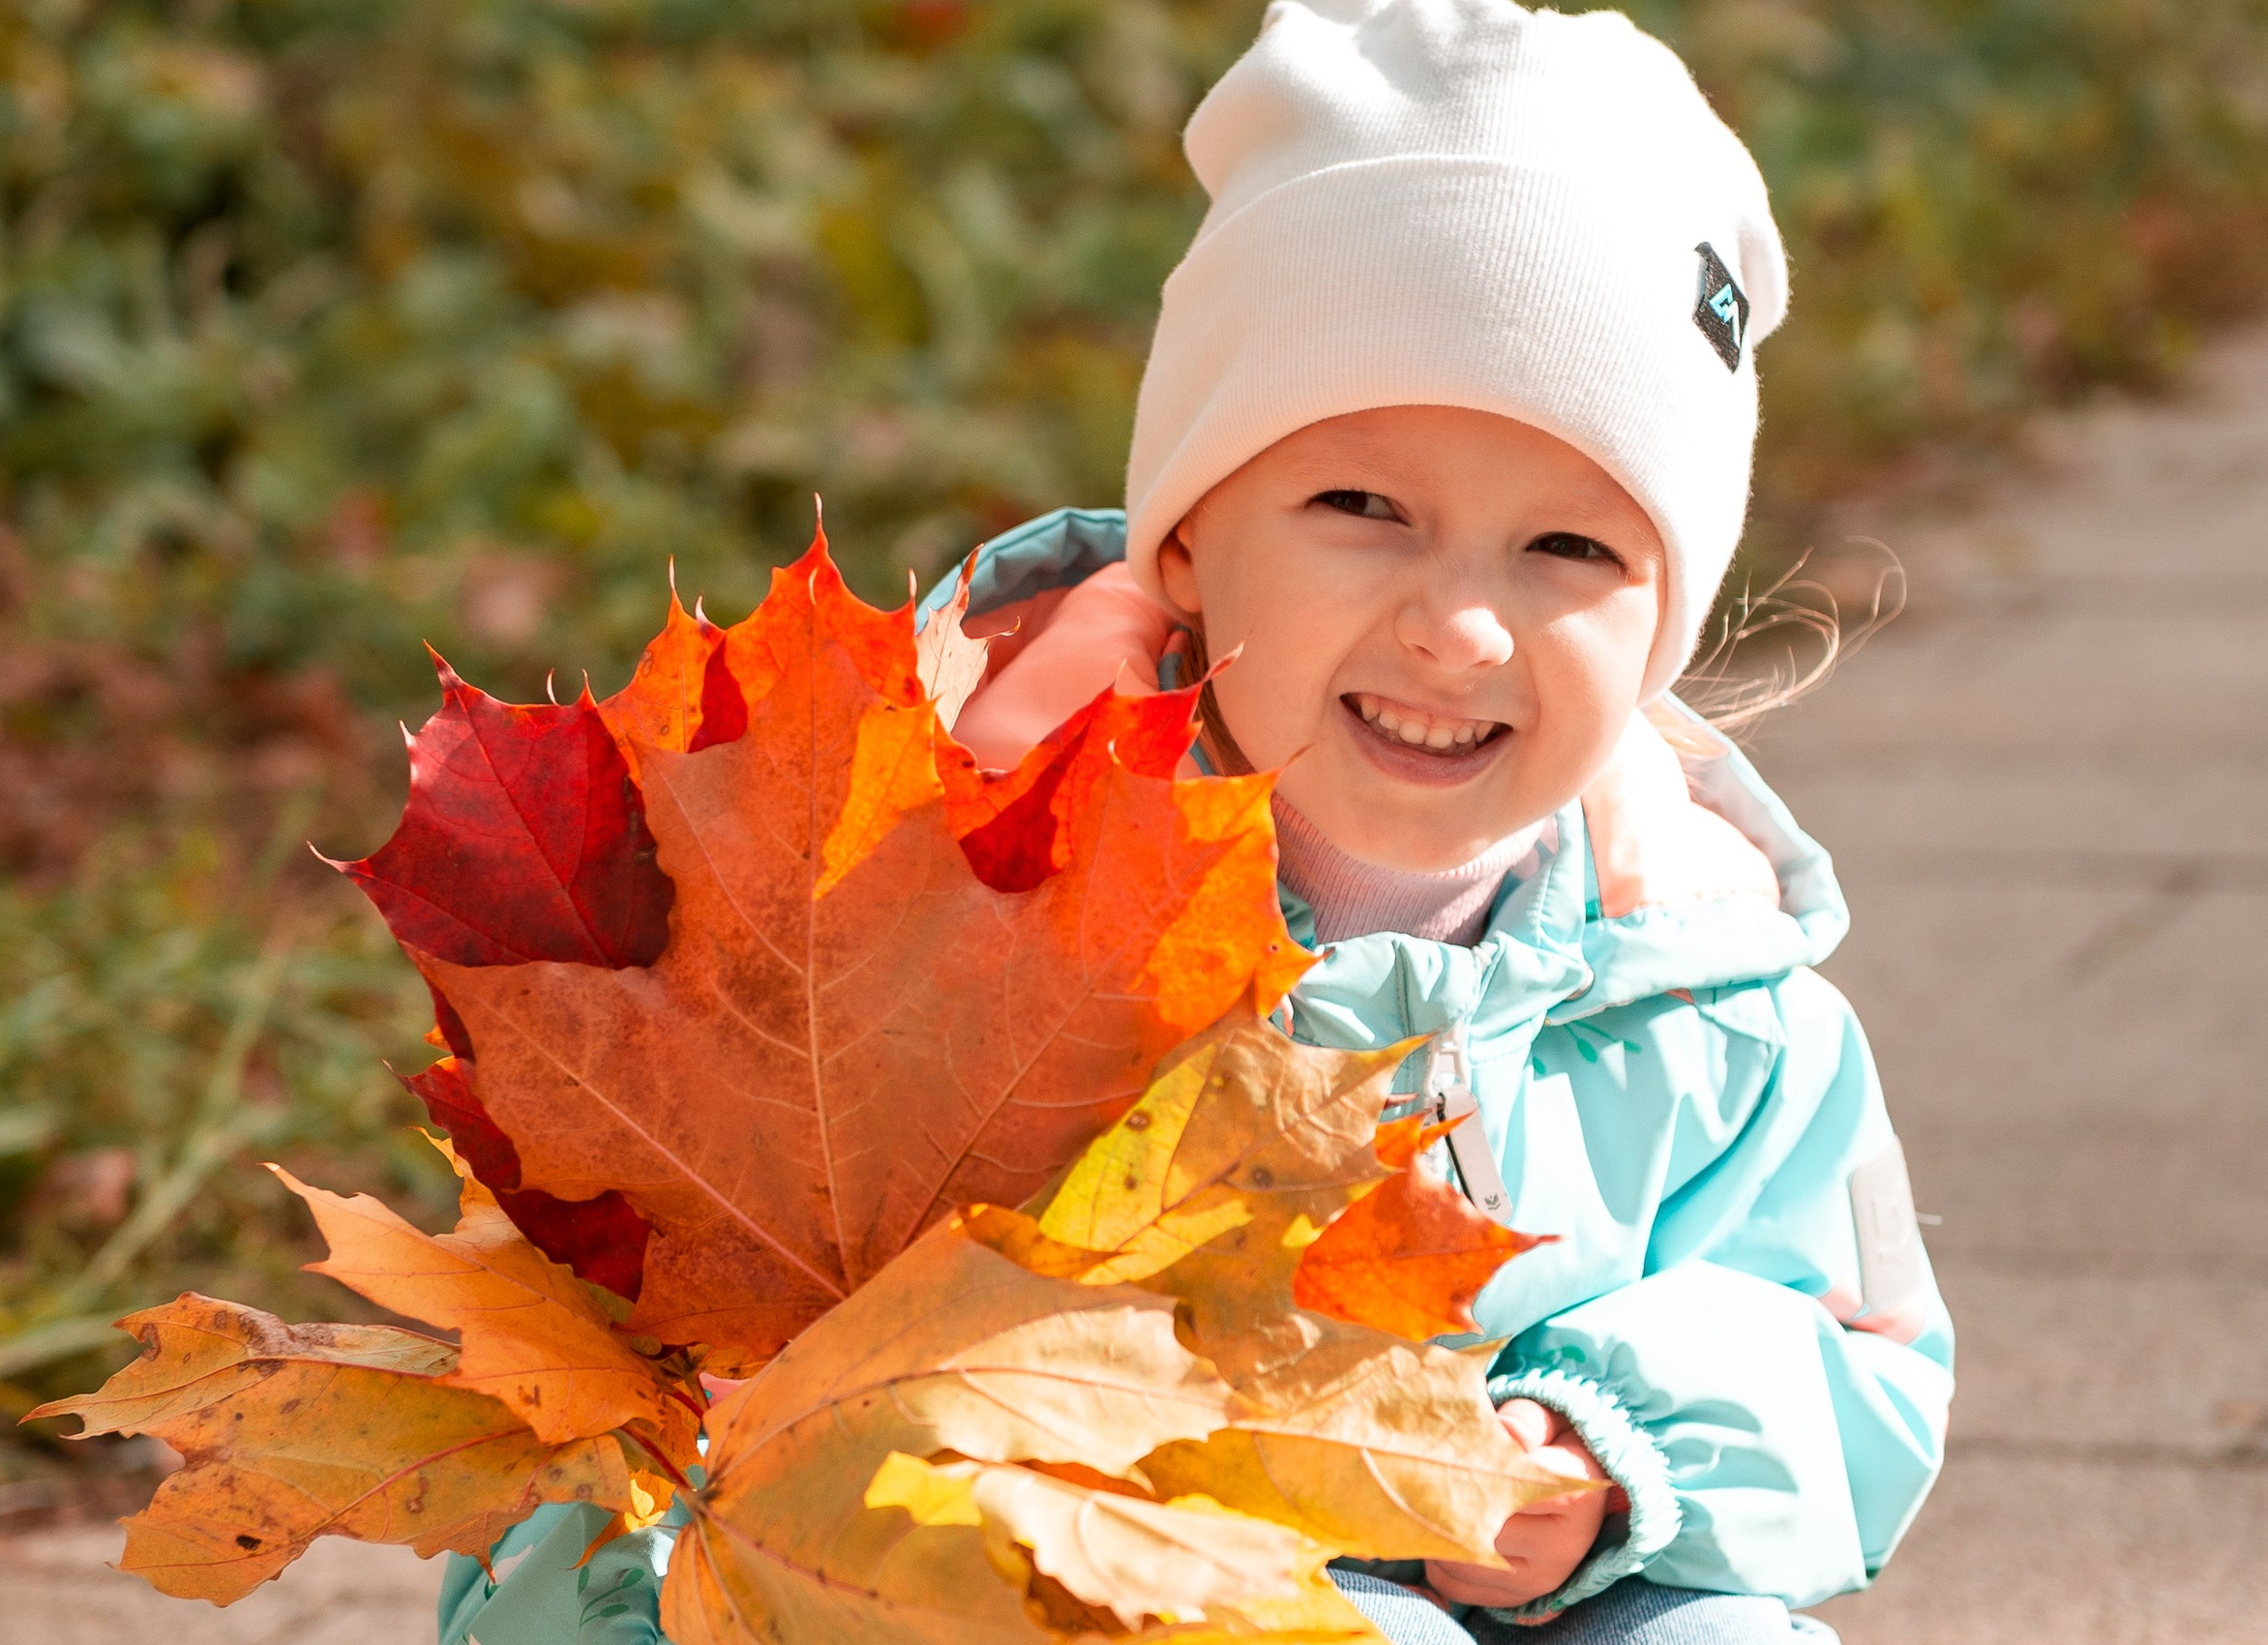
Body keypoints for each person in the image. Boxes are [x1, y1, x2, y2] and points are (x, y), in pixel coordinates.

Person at [439, 2, 1953, 1640]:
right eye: (1363, 509)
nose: (1462, 627)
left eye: (1572, 552)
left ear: (1664, 620)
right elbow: (606, 1418)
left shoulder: (1712, 988)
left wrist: (1607, 1449)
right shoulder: (926, 896)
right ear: (1184, 545)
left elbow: (1858, 1358)